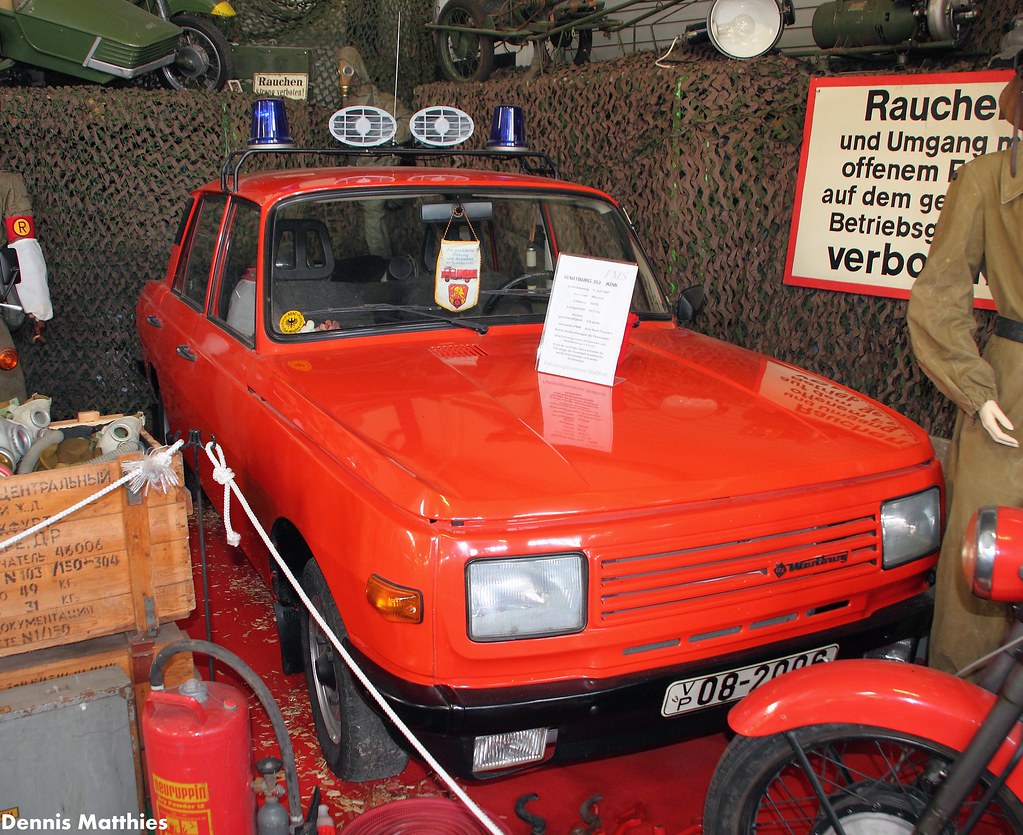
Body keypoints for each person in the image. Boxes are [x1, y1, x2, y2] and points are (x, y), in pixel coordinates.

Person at [906, 72, 1023, 676]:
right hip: (1010, 392)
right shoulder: (984, 180)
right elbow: (938, 295)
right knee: (984, 554)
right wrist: (977, 392)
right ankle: (959, 717)